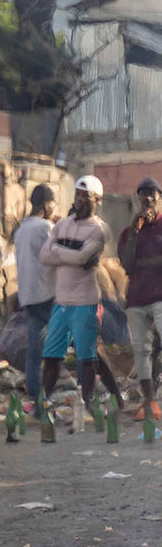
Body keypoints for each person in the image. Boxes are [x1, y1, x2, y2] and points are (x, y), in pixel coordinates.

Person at [39, 175, 107, 413]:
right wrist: (66, 251)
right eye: (77, 193)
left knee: (86, 357)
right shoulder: (63, 225)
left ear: (97, 199)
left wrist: (58, 249)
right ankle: (44, 402)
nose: (79, 198)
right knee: (52, 354)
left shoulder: (98, 230)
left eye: (85, 195)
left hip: (84, 301)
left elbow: (80, 258)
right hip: (61, 301)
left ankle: (86, 403)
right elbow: (44, 256)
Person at [118, 177, 162, 422]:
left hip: (160, 296)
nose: (148, 199)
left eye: (152, 194)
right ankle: (149, 403)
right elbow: (127, 264)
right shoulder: (128, 232)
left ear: (159, 199)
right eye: (143, 194)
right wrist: (135, 232)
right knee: (141, 351)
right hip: (136, 299)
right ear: (137, 199)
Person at [15, 184, 57, 409]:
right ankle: (48, 393)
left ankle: (34, 395)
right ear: (46, 205)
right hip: (46, 293)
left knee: (35, 349)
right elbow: (57, 255)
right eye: (52, 204)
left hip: (27, 295)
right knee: (59, 344)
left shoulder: (22, 228)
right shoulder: (44, 227)